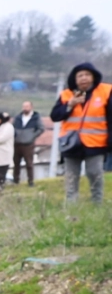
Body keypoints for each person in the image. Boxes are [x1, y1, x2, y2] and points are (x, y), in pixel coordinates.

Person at [52, 63, 112, 204]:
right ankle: (71, 207)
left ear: (93, 77)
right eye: (80, 76)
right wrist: (69, 105)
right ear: (75, 79)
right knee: (71, 177)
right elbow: (55, 116)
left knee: (94, 174)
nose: (83, 78)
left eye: (87, 75)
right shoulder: (66, 94)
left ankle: (97, 205)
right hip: (70, 143)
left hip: (96, 143)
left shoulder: (106, 91)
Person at [11, 100, 42, 185]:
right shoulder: (18, 117)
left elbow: (41, 129)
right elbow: (12, 128)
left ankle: (30, 181)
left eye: (27, 106)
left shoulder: (35, 118)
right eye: (24, 106)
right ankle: (16, 180)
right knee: (16, 163)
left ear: (31, 107)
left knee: (29, 163)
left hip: (28, 144)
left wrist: (32, 136)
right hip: (17, 143)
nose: (25, 108)